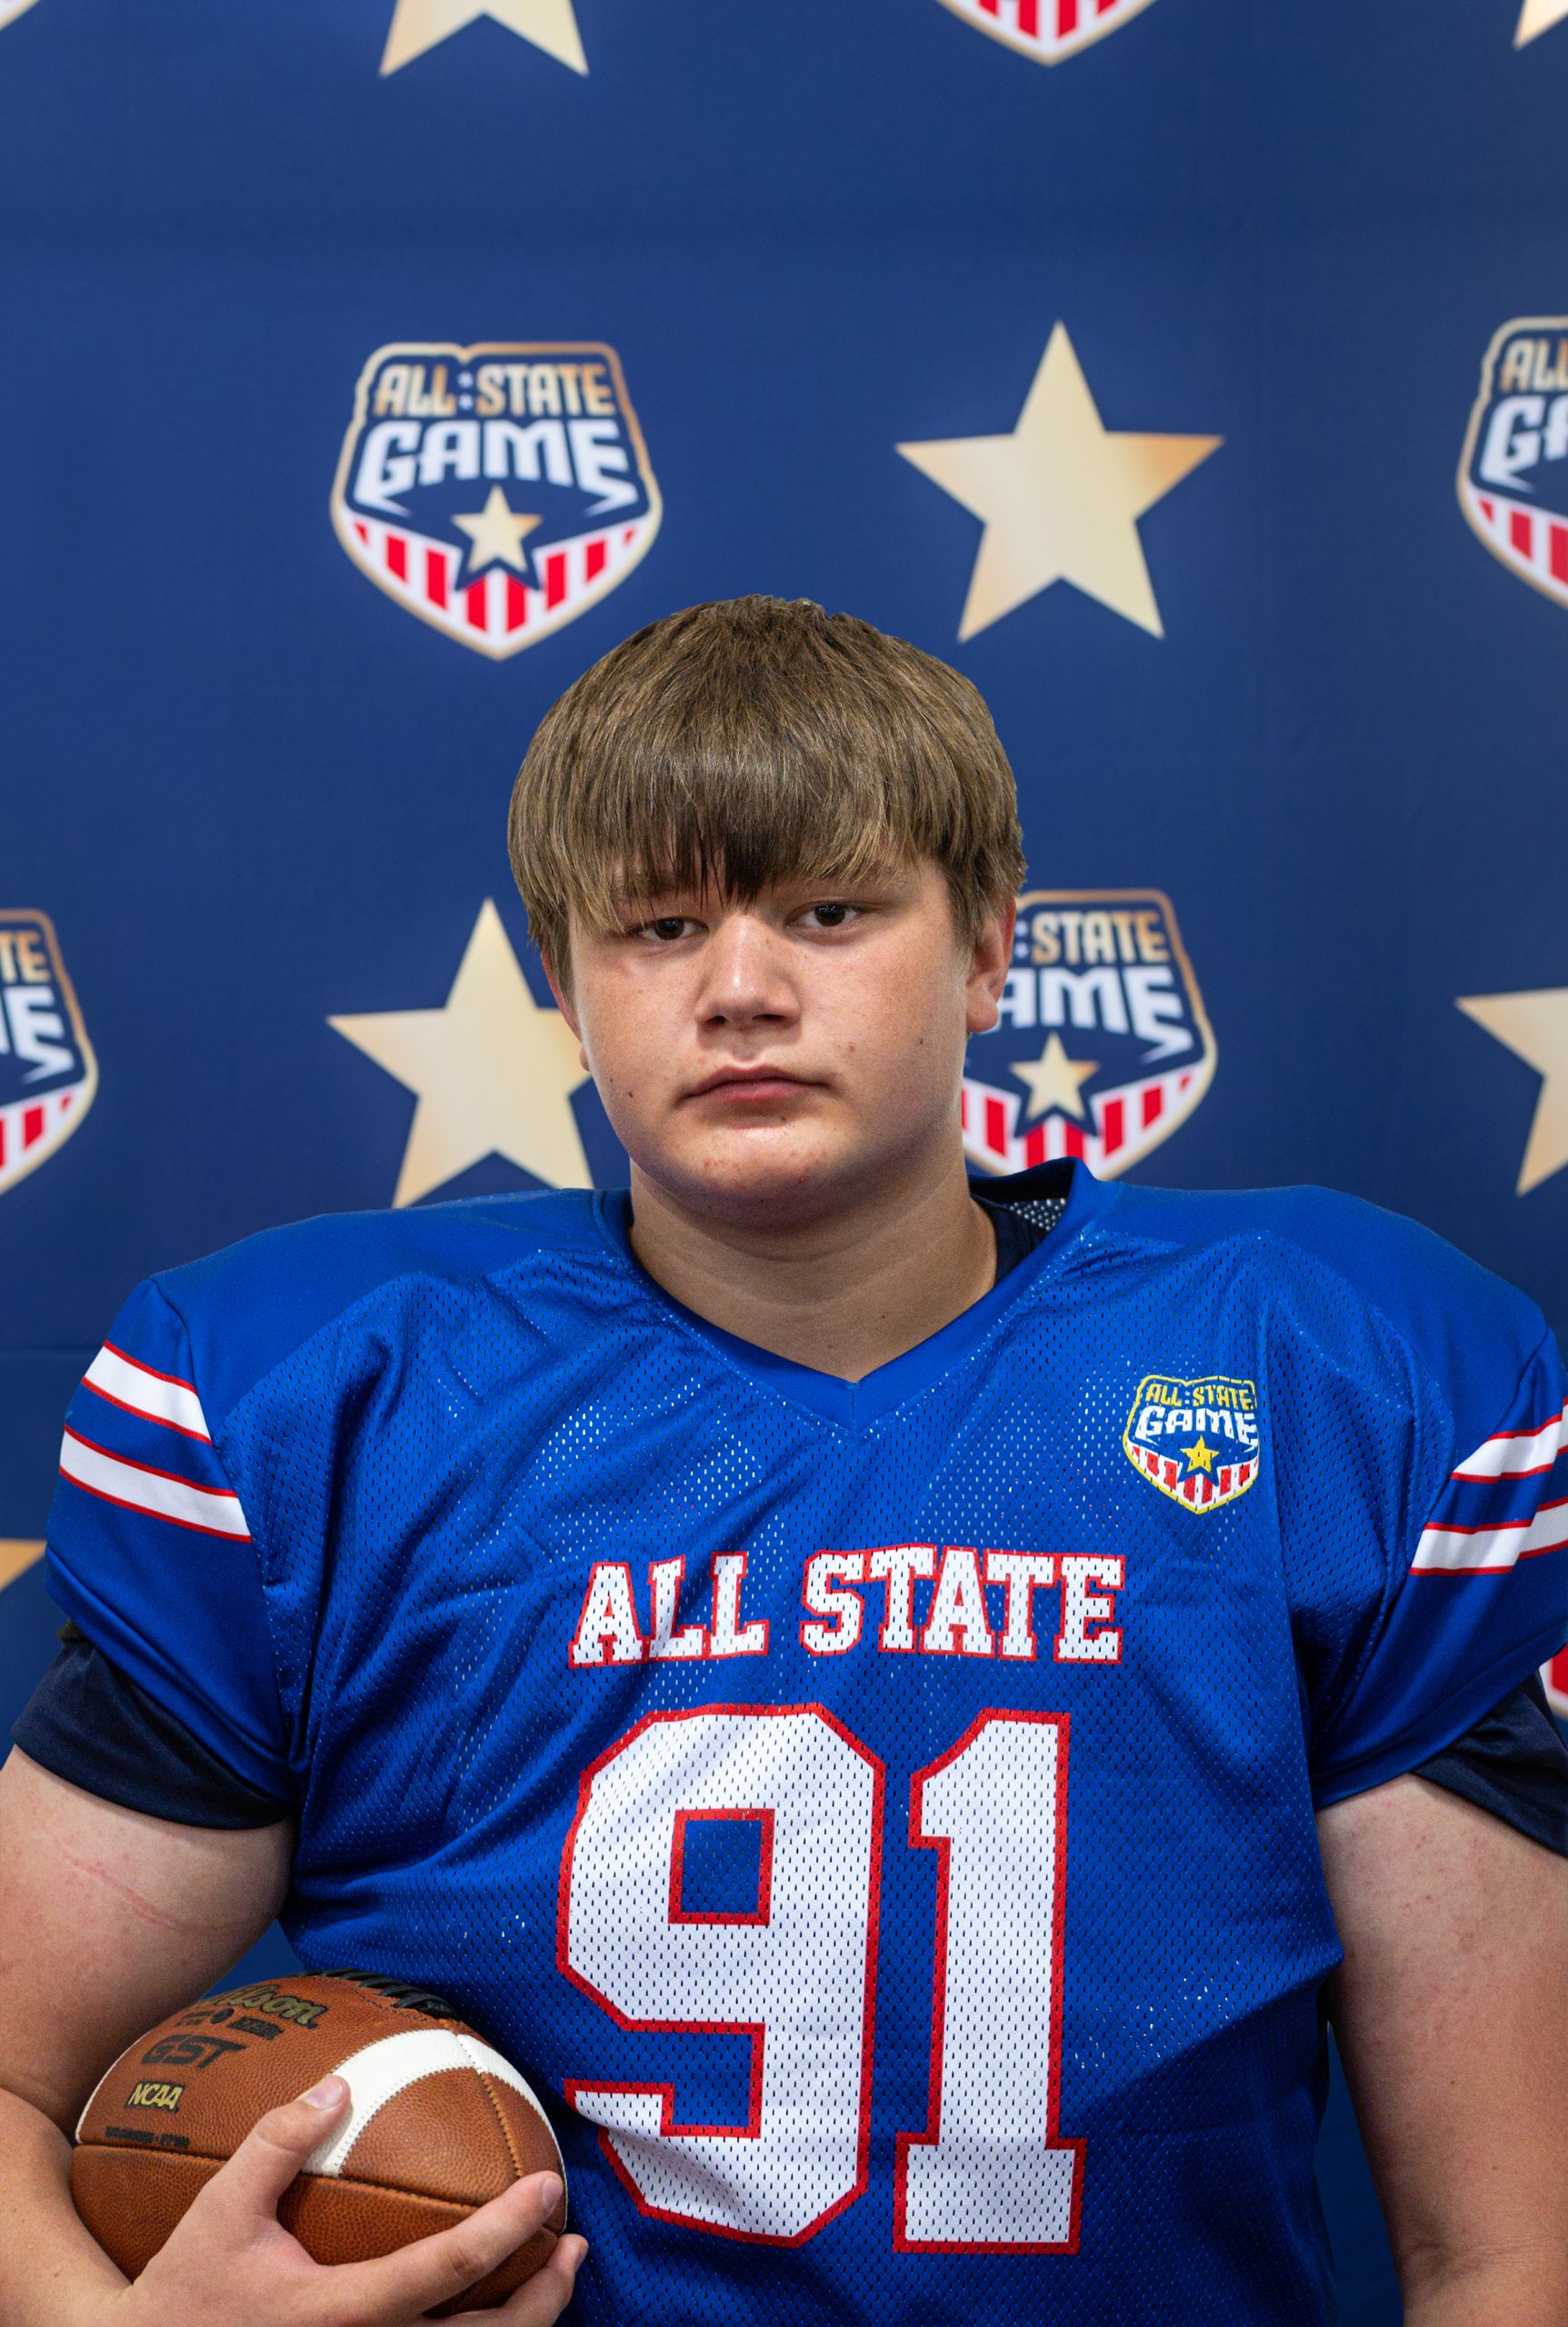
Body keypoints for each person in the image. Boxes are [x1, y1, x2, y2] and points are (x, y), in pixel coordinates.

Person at [2, 595, 1566, 2327]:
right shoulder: (330, 1398)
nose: (740, 991)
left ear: (987, 950)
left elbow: (1503, 2246)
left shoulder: (1329, 1370)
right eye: (658, 927)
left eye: (829, 912)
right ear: (564, 984)